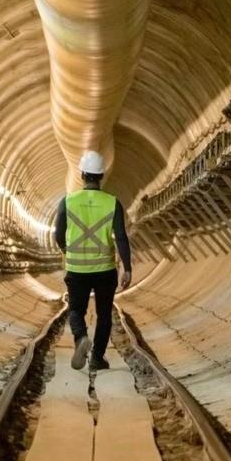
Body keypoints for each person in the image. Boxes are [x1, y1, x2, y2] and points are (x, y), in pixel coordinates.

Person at [54, 150, 132, 371]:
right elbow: (121, 236)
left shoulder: (67, 202)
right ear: (101, 176)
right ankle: (97, 357)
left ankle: (80, 339)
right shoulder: (113, 203)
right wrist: (127, 268)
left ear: (82, 174)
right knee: (104, 313)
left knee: (76, 309)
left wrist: (66, 250)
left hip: (77, 269)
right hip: (105, 269)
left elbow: (58, 234)